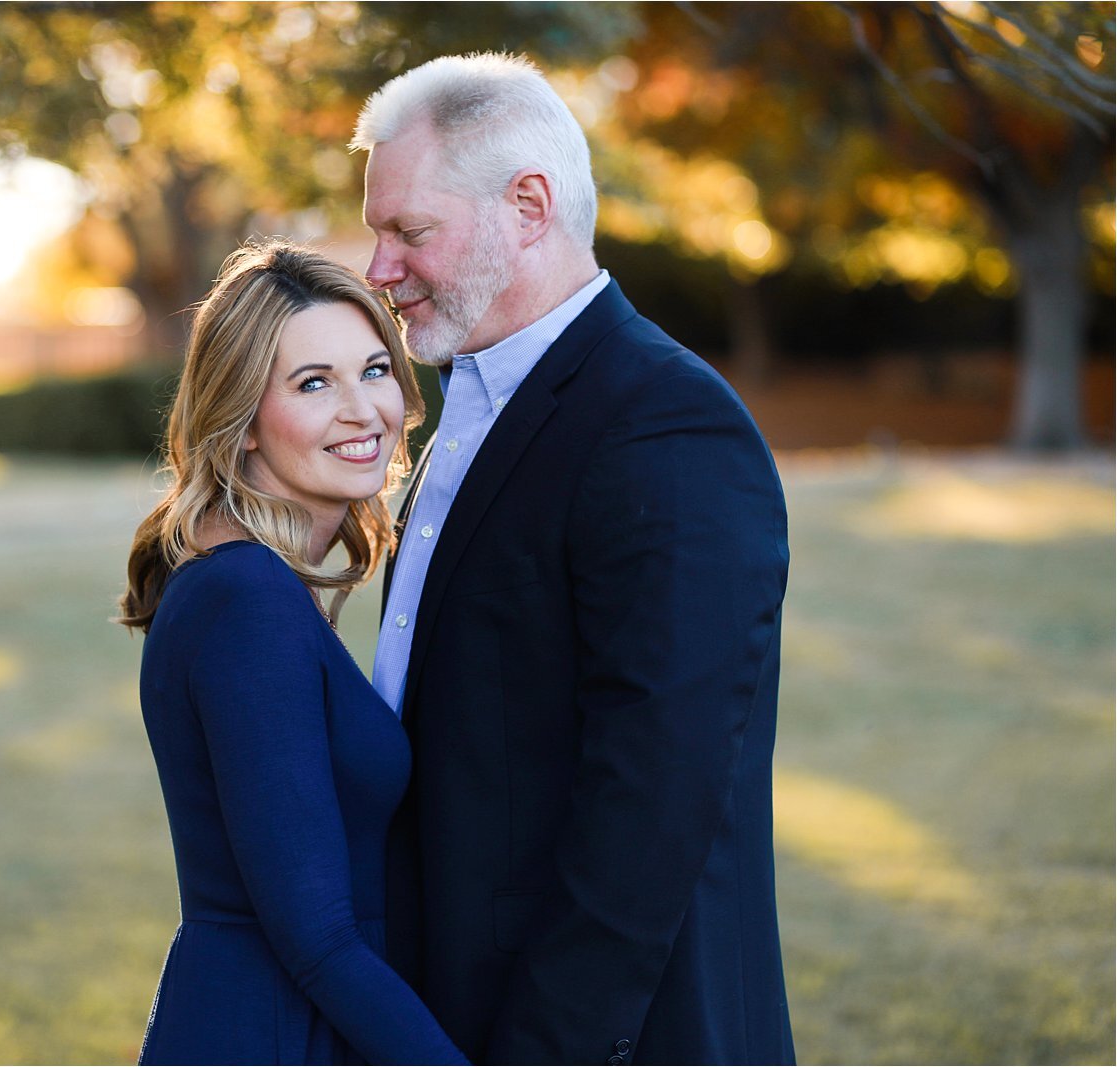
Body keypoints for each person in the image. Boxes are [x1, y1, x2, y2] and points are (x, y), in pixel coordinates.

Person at [351, 53, 795, 1065]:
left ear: (528, 204)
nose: (378, 268)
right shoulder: (465, 407)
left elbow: (655, 797)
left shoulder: (663, 425)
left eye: (407, 230)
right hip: (449, 1001)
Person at [118, 242, 469, 1065]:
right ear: (239, 422)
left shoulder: (251, 584)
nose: (363, 409)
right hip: (273, 1034)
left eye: (375, 369)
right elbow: (317, 938)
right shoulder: (245, 600)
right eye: (314, 383)